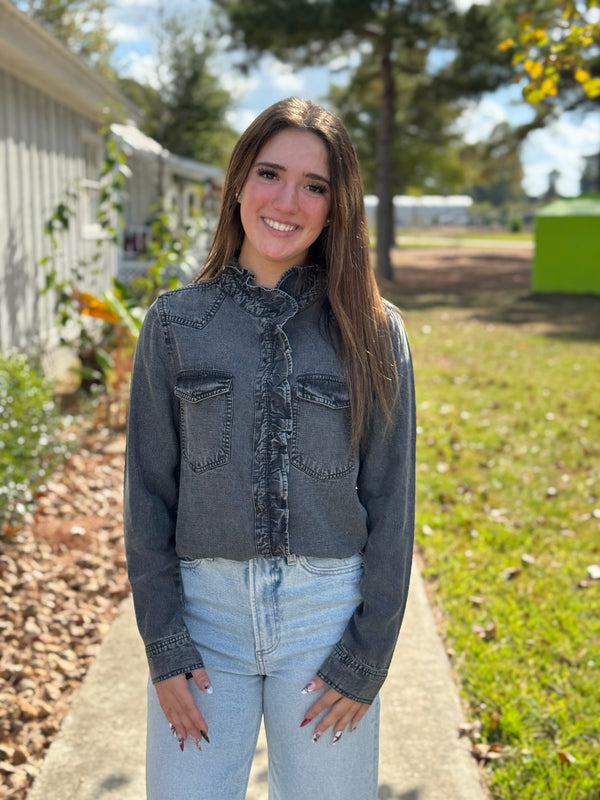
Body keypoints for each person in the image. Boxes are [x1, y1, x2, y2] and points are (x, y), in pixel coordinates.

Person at [124, 96, 416, 800]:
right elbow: (147, 497)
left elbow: (391, 502)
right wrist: (164, 647)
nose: (288, 201)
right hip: (204, 621)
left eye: (315, 186)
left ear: (337, 205)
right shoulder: (174, 324)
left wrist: (367, 656)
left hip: (325, 621)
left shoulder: (375, 332)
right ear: (237, 184)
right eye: (269, 173)